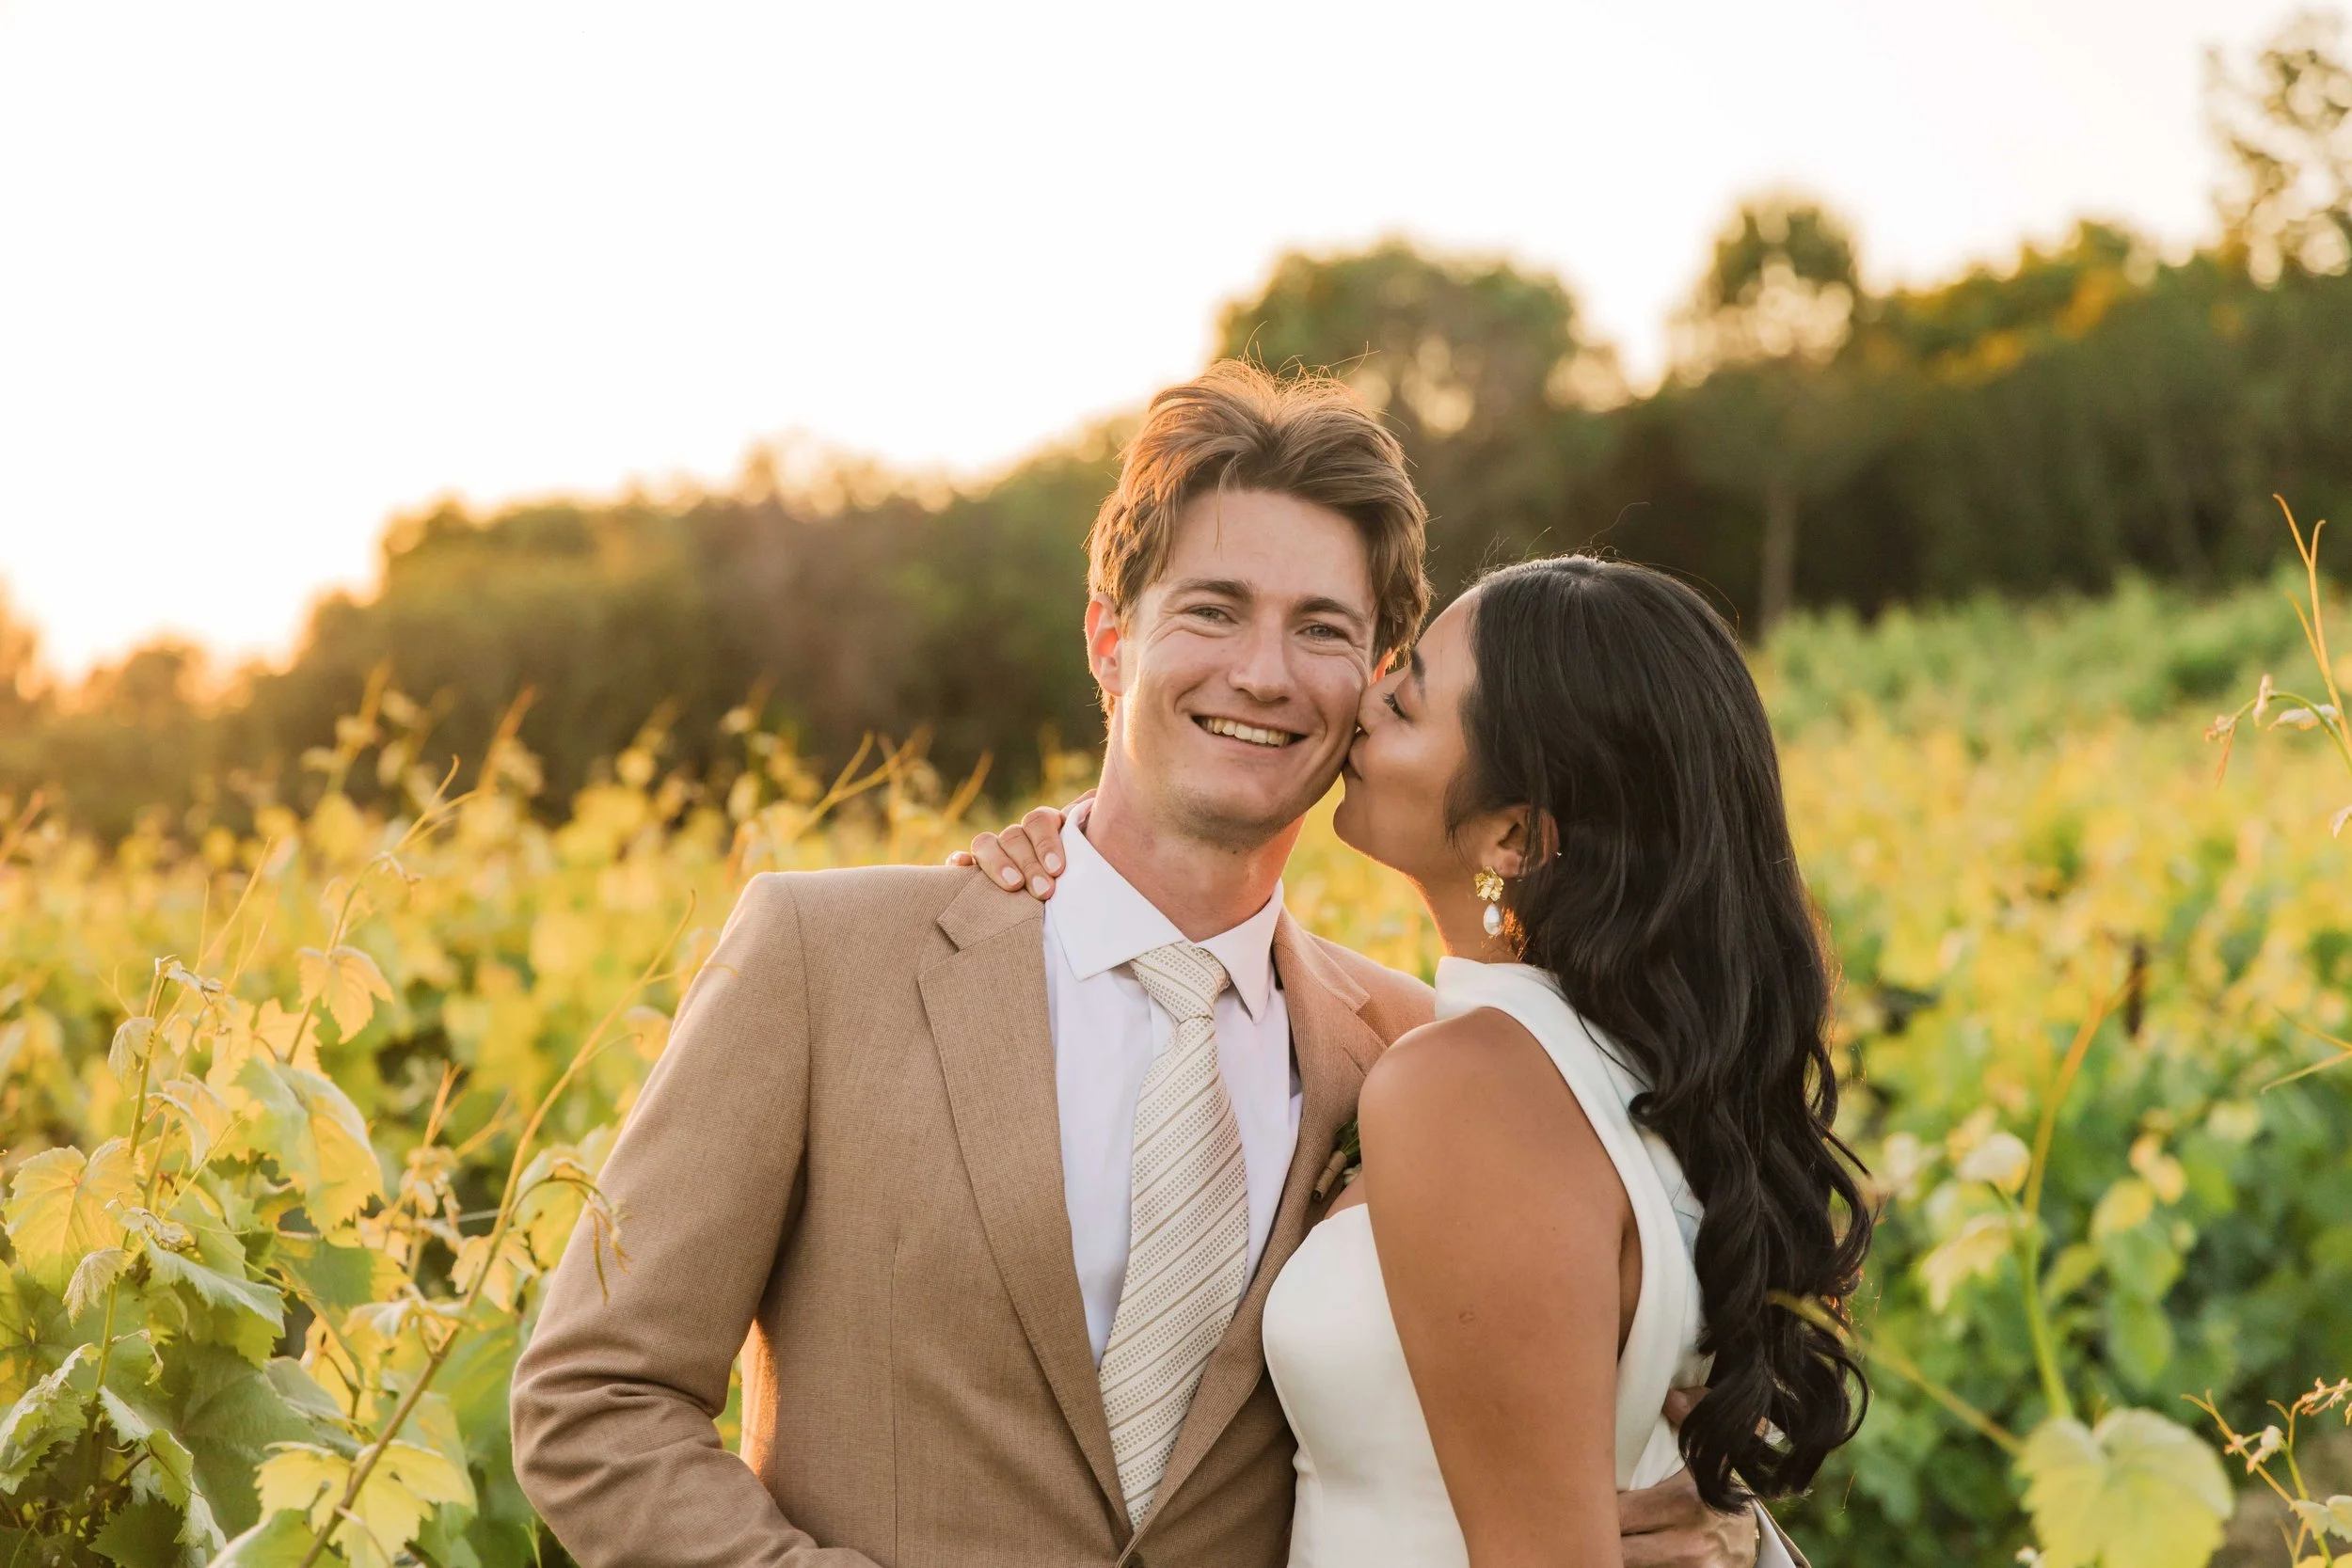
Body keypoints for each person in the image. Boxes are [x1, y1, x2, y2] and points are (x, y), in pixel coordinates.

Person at [510, 361, 1781, 1567]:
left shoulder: (1417, 1055)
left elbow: (1616, 1418)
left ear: (1371, 682)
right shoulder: (823, 959)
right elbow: (594, 1397)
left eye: (1322, 628)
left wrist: (1732, 1539)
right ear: (1110, 640)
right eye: (1214, 610)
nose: (1262, 671)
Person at [964, 553, 1871, 1565]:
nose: (1356, 707)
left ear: (1513, 837)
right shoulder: (1629, 1073)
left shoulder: (1467, 1087)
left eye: (1405, 700)